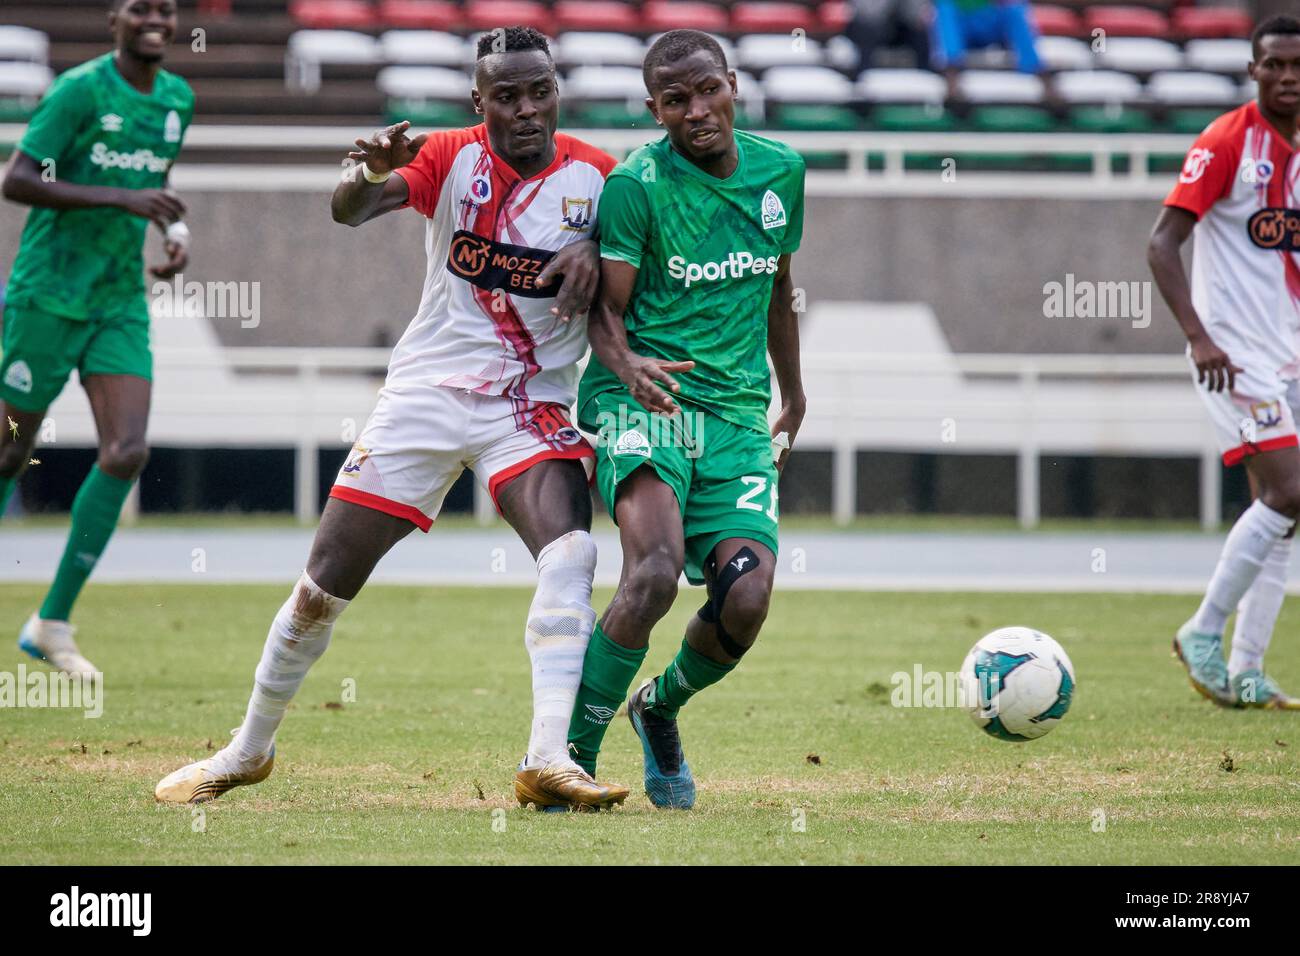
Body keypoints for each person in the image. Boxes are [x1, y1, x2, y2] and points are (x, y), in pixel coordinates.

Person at [155, 27, 632, 808]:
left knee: (572, 555)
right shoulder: (449, 156)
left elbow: (629, 261)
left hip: (529, 403)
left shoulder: (601, 179)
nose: (526, 109)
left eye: (539, 91)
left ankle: (548, 759)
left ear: (556, 93)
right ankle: (247, 750)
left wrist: (595, 251)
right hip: (427, 396)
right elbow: (350, 210)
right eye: (505, 96)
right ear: (479, 102)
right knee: (319, 591)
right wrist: (364, 169)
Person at [563, 29, 807, 808]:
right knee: (655, 570)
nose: (697, 111)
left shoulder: (782, 172)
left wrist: (793, 391)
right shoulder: (638, 186)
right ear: (654, 110)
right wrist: (629, 367)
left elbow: (777, 284)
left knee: (749, 597)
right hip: (646, 403)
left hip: (735, 417)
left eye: (708, 90)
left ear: (731, 83)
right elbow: (606, 308)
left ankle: (658, 707)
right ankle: (568, 759)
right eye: (676, 101)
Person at [0, 0, 193, 676]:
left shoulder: (177, 99)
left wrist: (172, 237)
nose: (156, 20)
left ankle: (52, 620)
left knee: (127, 450)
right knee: (9, 451)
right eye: (142, 9)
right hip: (47, 295)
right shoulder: (79, 89)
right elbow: (17, 179)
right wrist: (121, 201)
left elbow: (156, 186)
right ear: (115, 18)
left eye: (166, 11)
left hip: (118, 301)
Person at [1148, 14, 1300, 710]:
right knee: (1290, 494)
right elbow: (1161, 244)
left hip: (1290, 355)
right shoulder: (1226, 142)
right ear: (1253, 71)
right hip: (1234, 357)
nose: (1287, 77)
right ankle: (1202, 631)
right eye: (1273, 65)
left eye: (1297, 66)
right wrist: (1199, 337)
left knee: (1283, 511)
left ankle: (1246, 668)